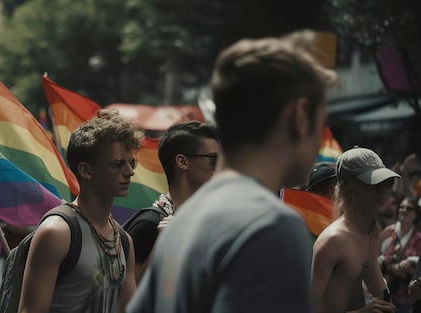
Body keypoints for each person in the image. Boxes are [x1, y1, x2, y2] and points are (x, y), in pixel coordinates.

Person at [127, 29, 338, 312]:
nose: (320, 141)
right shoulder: (271, 225)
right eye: (322, 123)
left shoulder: (180, 220)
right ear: (300, 116)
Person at [18, 109, 140, 313]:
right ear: (86, 170)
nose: (129, 171)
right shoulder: (58, 232)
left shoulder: (124, 241)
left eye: (131, 162)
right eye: (118, 163)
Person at [125, 120, 219, 283]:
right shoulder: (150, 224)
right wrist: (163, 243)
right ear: (182, 162)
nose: (219, 168)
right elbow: (126, 296)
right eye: (213, 160)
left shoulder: (198, 223)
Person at [312, 146, 399, 313]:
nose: (382, 191)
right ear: (350, 189)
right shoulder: (334, 240)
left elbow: (379, 290)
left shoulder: (369, 235)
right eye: (373, 184)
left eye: (386, 182)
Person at [381, 196, 421, 313]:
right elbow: (375, 258)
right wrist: (391, 267)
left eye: (408, 208)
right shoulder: (388, 232)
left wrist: (405, 259)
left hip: (406, 297)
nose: (403, 210)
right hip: (384, 292)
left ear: (415, 214)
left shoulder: (419, 238)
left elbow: (418, 267)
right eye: (401, 207)